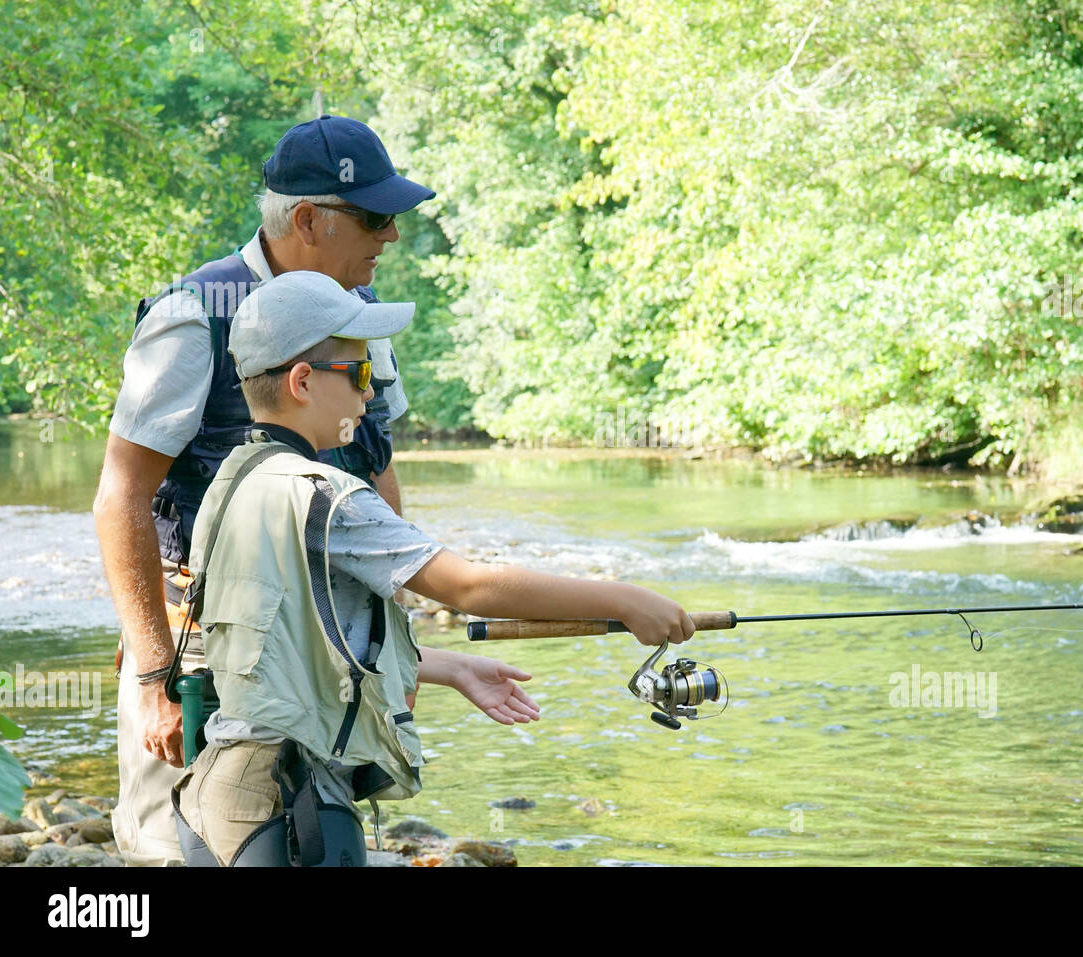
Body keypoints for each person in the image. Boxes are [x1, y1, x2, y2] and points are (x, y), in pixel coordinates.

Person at [172, 271, 695, 866]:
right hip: (285, 805)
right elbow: (469, 586)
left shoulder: (235, 478)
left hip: (219, 789)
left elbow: (288, 642)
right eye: (362, 374)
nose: (370, 396)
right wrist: (623, 599)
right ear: (302, 381)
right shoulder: (326, 495)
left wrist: (443, 666)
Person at [93, 115, 436, 865]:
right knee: (174, 849)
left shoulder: (361, 319)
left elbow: (378, 476)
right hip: (197, 660)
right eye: (376, 217)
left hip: (323, 670)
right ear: (308, 219)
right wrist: (154, 676)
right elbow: (119, 498)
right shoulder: (191, 316)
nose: (392, 236)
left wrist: (394, 653)